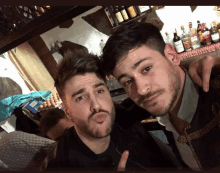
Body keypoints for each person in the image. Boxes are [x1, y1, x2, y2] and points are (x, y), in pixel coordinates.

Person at [101, 21, 220, 171]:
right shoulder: (157, 109)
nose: (141, 89)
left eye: (147, 68)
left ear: (171, 55)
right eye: (128, 81)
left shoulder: (214, 91)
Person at [45, 49, 181, 171]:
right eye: (80, 97)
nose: (96, 105)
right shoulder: (61, 164)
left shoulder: (119, 116)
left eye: (99, 91)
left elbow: (157, 90)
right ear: (67, 110)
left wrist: (190, 68)